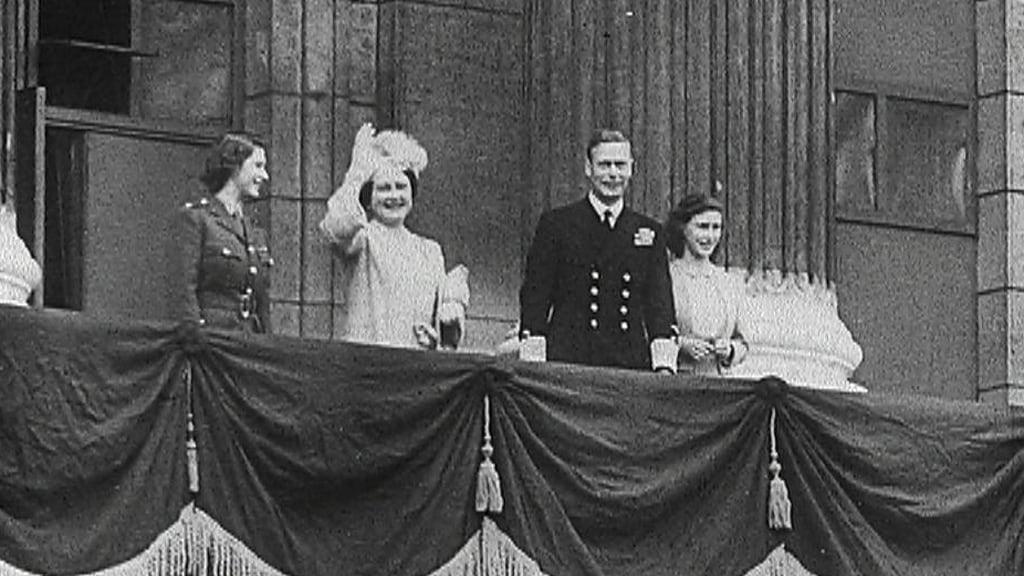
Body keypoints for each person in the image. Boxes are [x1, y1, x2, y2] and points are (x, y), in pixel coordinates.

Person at [519, 129, 677, 372]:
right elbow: (536, 298)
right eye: (604, 165)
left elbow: (660, 306)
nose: (613, 174)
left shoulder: (649, 231)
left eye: (620, 165)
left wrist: (663, 365)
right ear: (588, 168)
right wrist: (533, 365)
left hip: (629, 365)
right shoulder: (557, 225)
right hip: (569, 363)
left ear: (631, 168)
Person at [319, 123, 468, 350]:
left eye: (400, 187)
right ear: (369, 198)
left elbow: (443, 331)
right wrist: (358, 172)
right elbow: (335, 225)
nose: (394, 196)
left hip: (415, 365)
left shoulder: (430, 251)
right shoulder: (363, 239)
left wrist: (438, 337)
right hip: (369, 363)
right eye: (384, 188)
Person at [170, 133, 273, 333]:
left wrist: (268, 343)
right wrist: (196, 339)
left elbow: (262, 303)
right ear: (235, 166)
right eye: (258, 166)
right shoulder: (197, 219)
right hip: (213, 339)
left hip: (248, 340)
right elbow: (183, 291)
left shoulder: (254, 232)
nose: (265, 176)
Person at [664, 192, 748, 375]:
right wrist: (681, 345)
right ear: (682, 228)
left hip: (720, 382)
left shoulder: (728, 282)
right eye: (702, 227)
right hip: (678, 381)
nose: (710, 236)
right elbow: (650, 332)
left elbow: (742, 342)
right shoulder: (666, 277)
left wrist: (730, 350)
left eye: (716, 228)